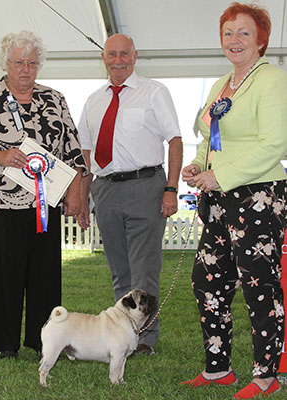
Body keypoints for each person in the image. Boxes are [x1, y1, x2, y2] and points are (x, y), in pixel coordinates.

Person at [181, 3, 287, 399]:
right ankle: (218, 369)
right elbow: (209, 138)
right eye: (228, 33)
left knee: (259, 284)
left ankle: (265, 376)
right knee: (207, 280)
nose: (235, 40)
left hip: (258, 195)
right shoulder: (221, 84)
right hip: (219, 197)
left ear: (262, 39)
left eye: (244, 33)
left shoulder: (273, 80)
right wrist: (196, 166)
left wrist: (220, 175)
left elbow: (275, 143)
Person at [77, 33, 182, 354]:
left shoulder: (154, 92)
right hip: (105, 190)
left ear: (135, 56)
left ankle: (146, 339)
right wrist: (84, 197)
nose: (118, 60)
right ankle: (121, 336)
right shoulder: (94, 100)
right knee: (119, 270)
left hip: (146, 187)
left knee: (143, 270)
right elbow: (84, 151)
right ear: (104, 58)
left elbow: (175, 141)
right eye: (112, 54)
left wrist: (171, 189)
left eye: (124, 54)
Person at [0, 31, 87, 359]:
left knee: (45, 274)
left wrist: (76, 193)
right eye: (18, 63)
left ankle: (45, 340)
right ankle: (5, 344)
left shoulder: (55, 98)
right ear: (5, 63)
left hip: (46, 202)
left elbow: (73, 150)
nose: (26, 69)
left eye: (32, 63)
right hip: (1, 203)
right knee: (5, 273)